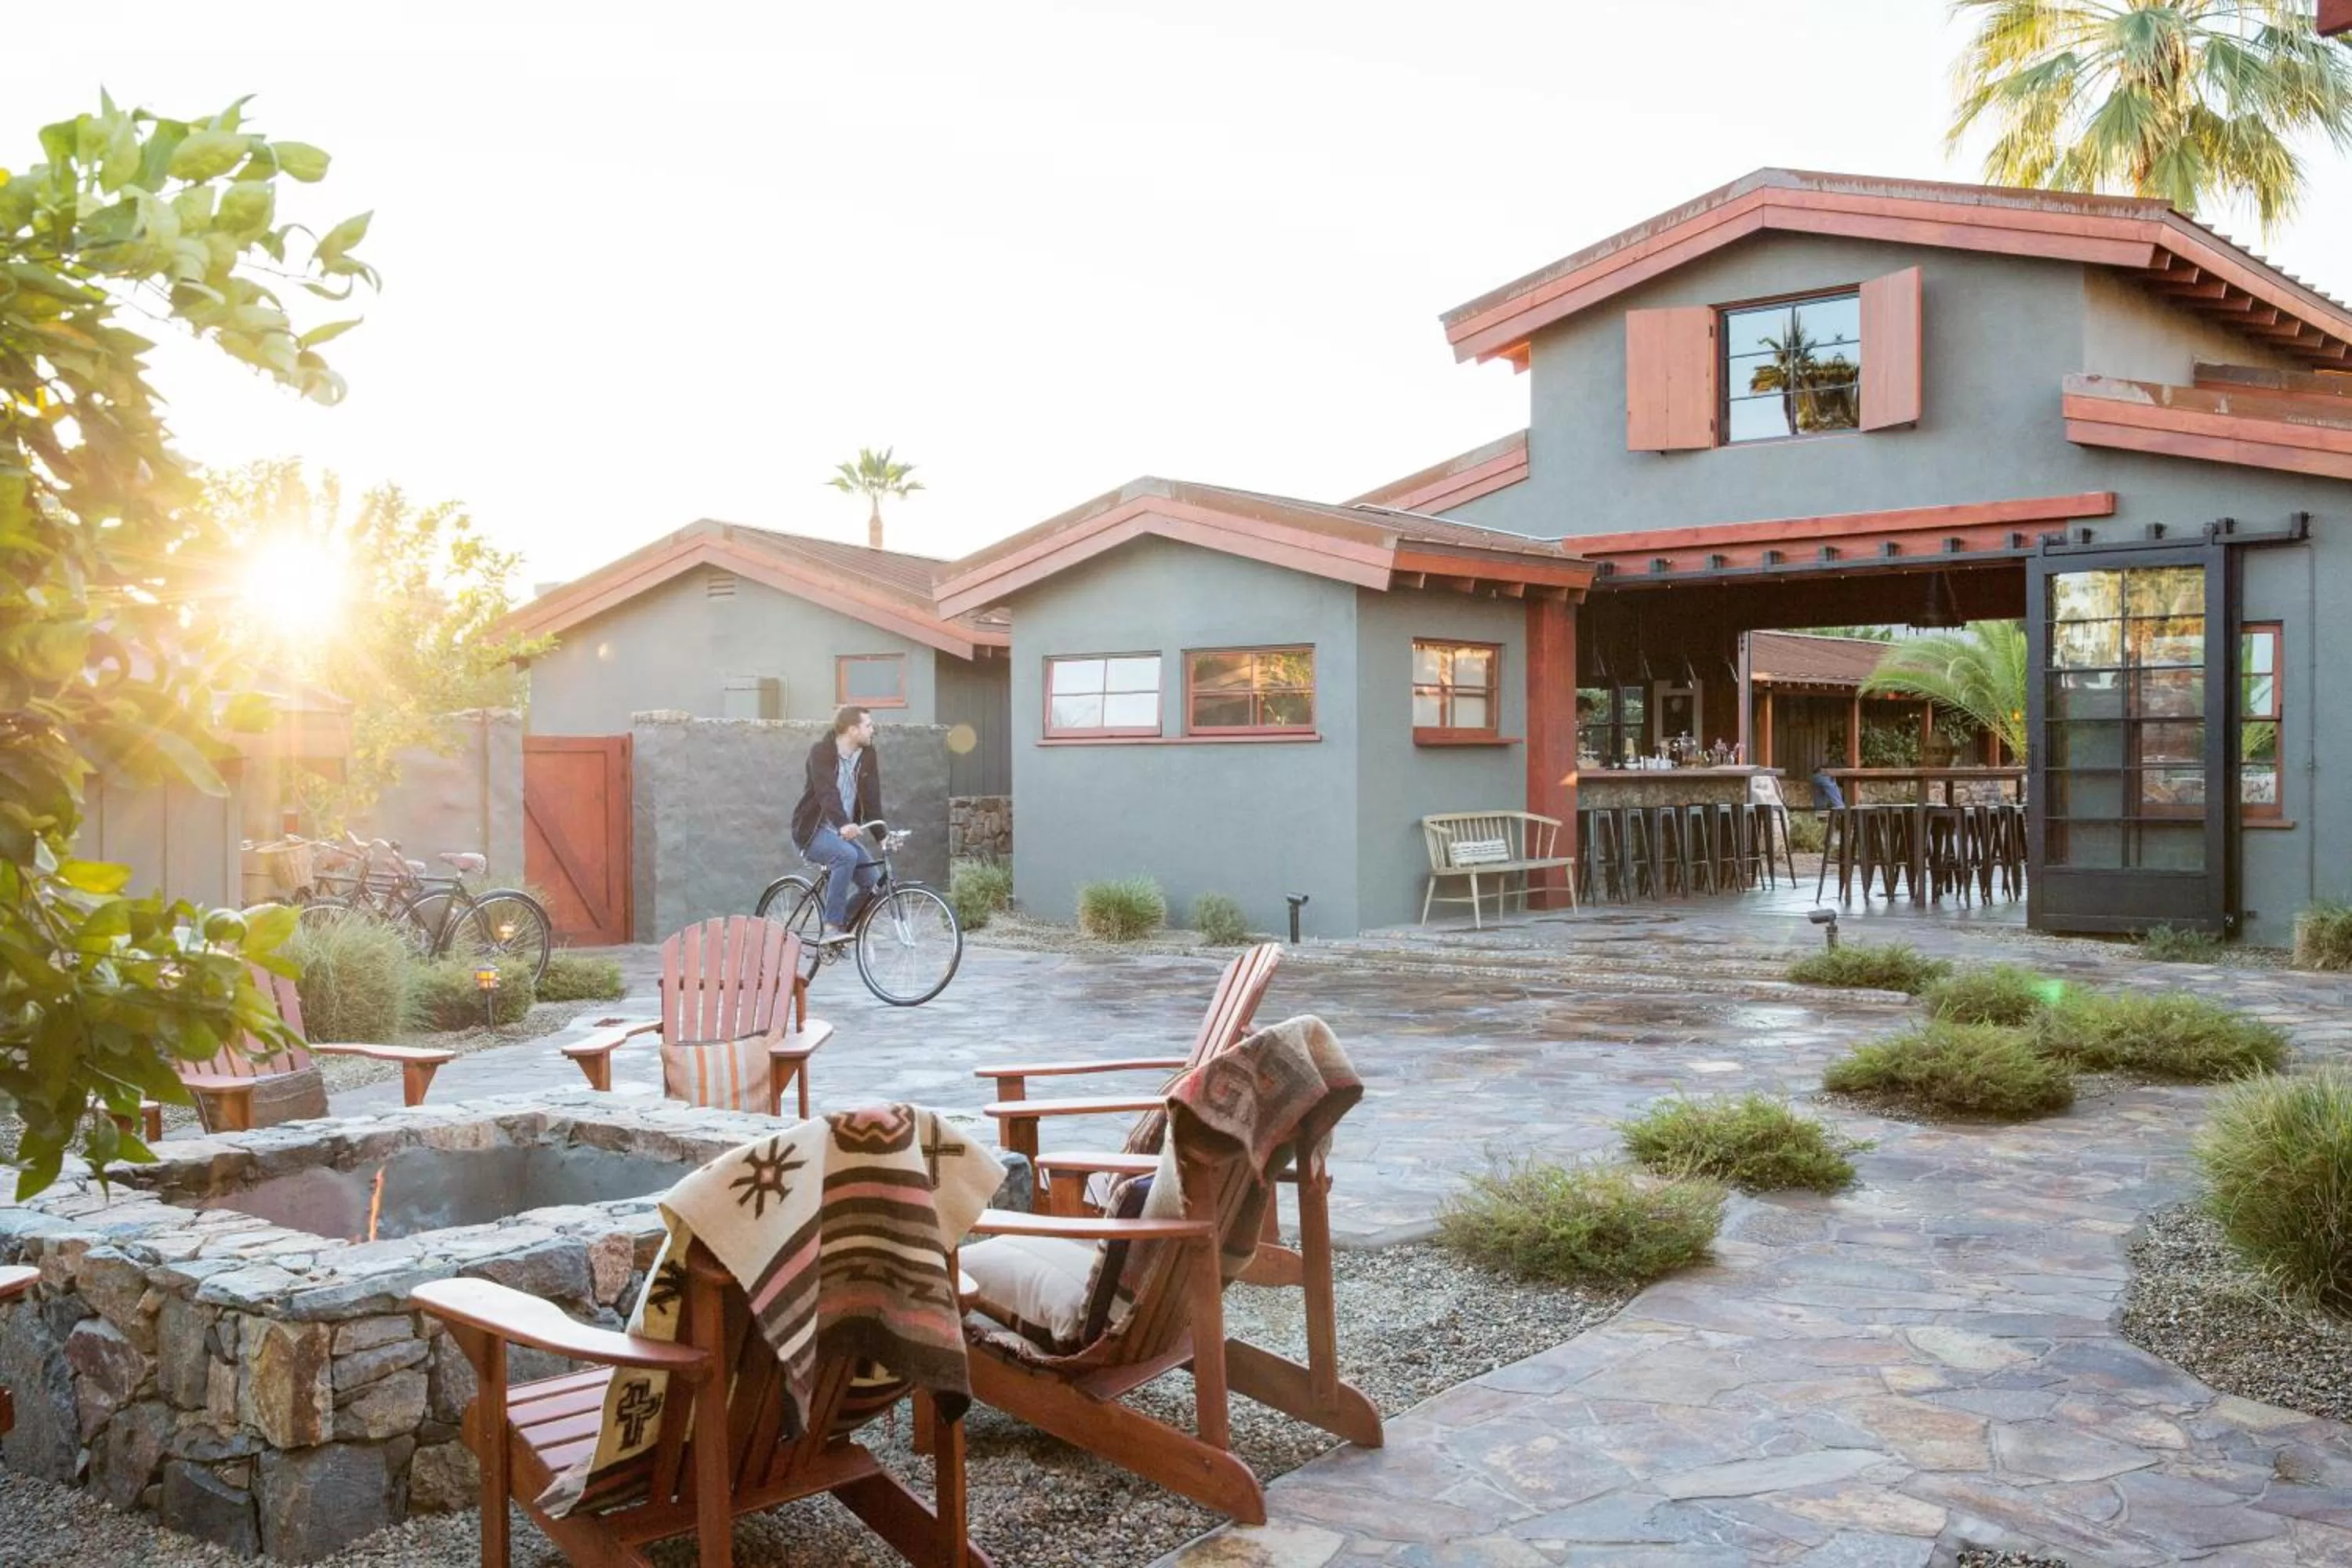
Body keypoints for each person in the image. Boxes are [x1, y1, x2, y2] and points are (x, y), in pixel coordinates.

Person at [791, 706, 884, 942]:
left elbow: (872, 799)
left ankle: (839, 931)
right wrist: (843, 824)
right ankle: (831, 927)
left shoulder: (867, 755)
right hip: (813, 830)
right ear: (853, 730)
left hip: (842, 832)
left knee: (873, 884)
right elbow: (826, 793)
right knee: (845, 856)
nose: (873, 730)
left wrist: (883, 836)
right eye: (868, 725)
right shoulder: (821, 752)